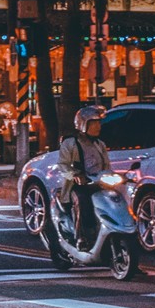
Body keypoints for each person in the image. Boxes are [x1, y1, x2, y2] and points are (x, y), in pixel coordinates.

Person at [58, 105, 112, 250]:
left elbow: (107, 167)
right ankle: (80, 237)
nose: (98, 126)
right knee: (82, 201)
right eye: (94, 123)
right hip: (77, 187)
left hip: (98, 184)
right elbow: (62, 167)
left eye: (99, 123)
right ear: (83, 124)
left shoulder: (100, 144)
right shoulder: (70, 143)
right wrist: (75, 176)